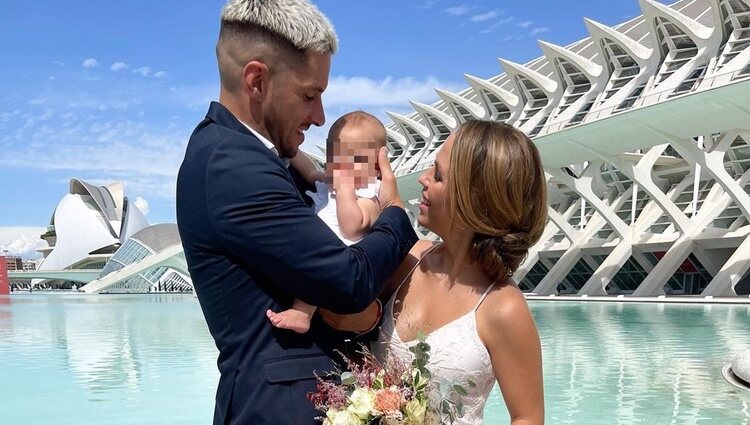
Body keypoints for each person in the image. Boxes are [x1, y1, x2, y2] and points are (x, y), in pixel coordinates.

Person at [175, 1, 418, 424]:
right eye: (310, 95)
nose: (320, 118)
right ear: (257, 81)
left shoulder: (258, 158)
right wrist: (395, 213)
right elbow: (348, 279)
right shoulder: (233, 166)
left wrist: (367, 317)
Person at [324, 120, 547, 424]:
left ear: (474, 199)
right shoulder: (407, 261)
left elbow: (528, 418)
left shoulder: (504, 308)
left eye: (438, 176)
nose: (423, 179)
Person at [266, 111, 387, 333]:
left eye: (355, 160)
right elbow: (309, 170)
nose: (344, 167)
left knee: (317, 275)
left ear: (377, 167)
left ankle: (302, 314)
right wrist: (288, 150)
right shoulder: (328, 183)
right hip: (316, 252)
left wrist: (345, 192)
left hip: (340, 263)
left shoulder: (370, 195)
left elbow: (352, 229)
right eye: (336, 158)